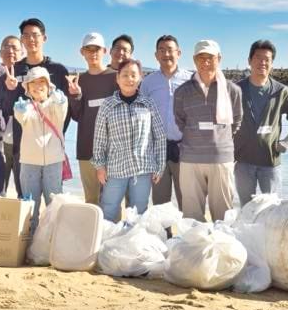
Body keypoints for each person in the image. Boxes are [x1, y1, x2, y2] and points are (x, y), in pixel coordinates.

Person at [173, 40, 243, 223]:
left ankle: (222, 250)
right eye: (200, 58)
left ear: (219, 58)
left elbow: (236, 122)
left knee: (223, 216)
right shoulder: (182, 91)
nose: (205, 62)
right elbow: (180, 120)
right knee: (191, 215)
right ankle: (196, 250)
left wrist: (219, 139)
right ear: (194, 60)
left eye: (210, 57)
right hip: (190, 159)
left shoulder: (232, 90)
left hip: (221, 158)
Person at [2, 18, 70, 197]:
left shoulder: (59, 70)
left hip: (52, 148)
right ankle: (30, 226)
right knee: (25, 199)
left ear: (44, 38)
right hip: (24, 147)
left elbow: (66, 111)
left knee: (54, 201)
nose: (31, 39)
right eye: (26, 35)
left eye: (35, 35)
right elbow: (7, 108)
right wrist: (9, 90)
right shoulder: (14, 70)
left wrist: (56, 136)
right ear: (21, 39)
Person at [92, 59, 167, 222]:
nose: (129, 79)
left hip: (142, 168)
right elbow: (99, 138)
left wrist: (159, 166)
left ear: (140, 78)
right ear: (117, 78)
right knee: (108, 209)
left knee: (139, 213)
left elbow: (159, 136)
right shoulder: (108, 104)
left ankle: (133, 246)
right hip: (115, 169)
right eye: (124, 75)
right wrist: (100, 166)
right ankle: (104, 245)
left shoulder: (148, 103)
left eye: (133, 75)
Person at [233, 40, 288, 206]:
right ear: (249, 61)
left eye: (267, 59)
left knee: (272, 208)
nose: (262, 62)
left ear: (272, 63)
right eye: (258, 58)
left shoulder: (282, 92)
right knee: (245, 207)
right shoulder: (236, 90)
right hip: (242, 161)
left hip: (270, 162)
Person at [13, 67, 68, 232]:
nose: (38, 86)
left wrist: (60, 100)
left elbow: (61, 111)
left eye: (42, 81)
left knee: (54, 205)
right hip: (29, 162)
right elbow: (21, 117)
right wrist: (20, 110)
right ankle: (28, 244)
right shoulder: (25, 106)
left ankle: (52, 241)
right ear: (27, 88)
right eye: (33, 83)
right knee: (30, 206)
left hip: (53, 161)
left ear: (49, 85)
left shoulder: (56, 104)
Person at [140, 34, 192, 208]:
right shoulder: (148, 82)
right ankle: (165, 235)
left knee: (188, 201)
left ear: (179, 53)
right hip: (157, 151)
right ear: (156, 55)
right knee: (160, 203)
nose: (166, 54)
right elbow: (141, 116)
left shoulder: (191, 80)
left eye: (170, 50)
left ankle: (187, 235)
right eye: (161, 50)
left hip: (184, 149)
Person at [68, 32, 117, 205]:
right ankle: (93, 232)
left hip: (113, 151)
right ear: (82, 52)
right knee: (91, 201)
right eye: (88, 49)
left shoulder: (116, 77)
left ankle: (112, 233)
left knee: (111, 202)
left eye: (96, 49)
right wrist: (75, 97)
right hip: (86, 148)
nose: (93, 53)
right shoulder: (78, 81)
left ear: (105, 51)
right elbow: (76, 116)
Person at [0, 35, 22, 194]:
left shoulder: (28, 73)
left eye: (14, 48)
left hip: (23, 138)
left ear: (21, 52)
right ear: (0, 52)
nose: (10, 51)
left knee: (23, 185)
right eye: (6, 47)